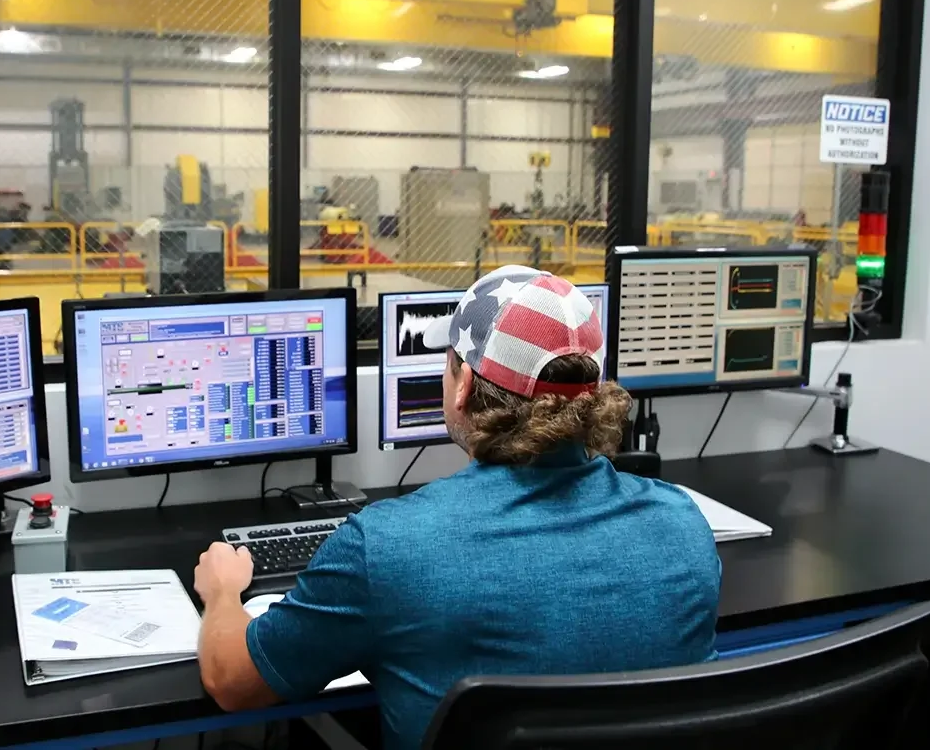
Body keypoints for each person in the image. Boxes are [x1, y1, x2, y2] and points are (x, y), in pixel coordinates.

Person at [193, 265, 722, 749]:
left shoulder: (388, 547)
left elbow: (232, 683)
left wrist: (222, 592)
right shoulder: (682, 524)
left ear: (463, 385)